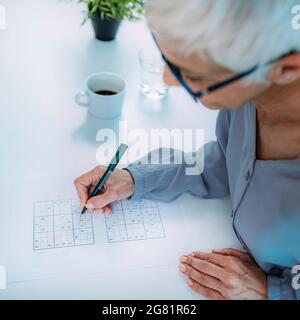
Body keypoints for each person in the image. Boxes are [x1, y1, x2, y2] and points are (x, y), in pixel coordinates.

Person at [74, 0, 300, 300]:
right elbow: (227, 162)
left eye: (194, 75)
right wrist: (136, 178)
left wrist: (275, 290)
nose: (168, 80)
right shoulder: (250, 93)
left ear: (285, 69)